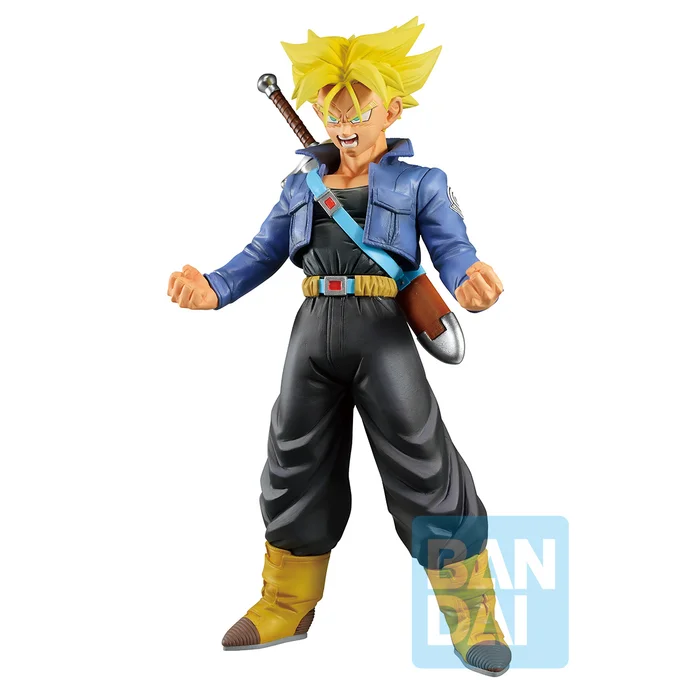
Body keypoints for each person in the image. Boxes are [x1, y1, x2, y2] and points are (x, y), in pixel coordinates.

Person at [167, 18, 510, 676]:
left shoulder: (421, 183)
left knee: (423, 463)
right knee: (293, 462)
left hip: (383, 333)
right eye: (332, 110)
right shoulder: (300, 185)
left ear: (393, 110)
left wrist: (469, 278)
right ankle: (285, 601)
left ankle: (471, 609)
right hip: (312, 331)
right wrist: (212, 287)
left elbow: (453, 247)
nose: (344, 124)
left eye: (358, 110)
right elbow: (262, 252)